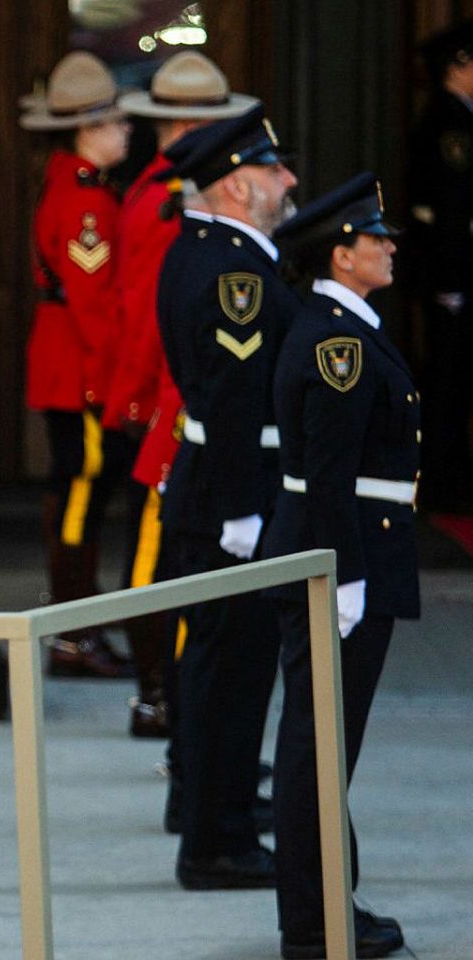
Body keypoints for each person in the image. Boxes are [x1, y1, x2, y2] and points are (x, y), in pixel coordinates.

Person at [261, 173, 414, 959]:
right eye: (374, 237)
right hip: (344, 554)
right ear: (340, 254)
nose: (389, 246)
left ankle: (327, 905)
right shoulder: (336, 341)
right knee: (318, 744)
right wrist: (342, 576)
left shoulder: (343, 325)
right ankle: (315, 924)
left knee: (324, 741)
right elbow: (326, 474)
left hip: (351, 549)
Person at [154, 107, 299, 891]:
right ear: (241, 184)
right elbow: (236, 397)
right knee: (231, 674)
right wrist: (247, 514)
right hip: (231, 500)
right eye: (276, 171)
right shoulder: (235, 273)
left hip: (214, 491)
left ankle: (217, 812)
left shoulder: (208, 250)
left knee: (221, 670)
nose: (289, 183)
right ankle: (218, 839)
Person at [106, 50, 258, 736]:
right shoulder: (167, 200)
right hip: (173, 402)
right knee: (160, 563)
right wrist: (138, 405)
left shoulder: (154, 189)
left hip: (170, 398)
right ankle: (160, 698)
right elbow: (148, 316)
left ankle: (168, 698)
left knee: (171, 558)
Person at [17, 51, 136, 678]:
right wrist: (109, 388)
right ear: (88, 130)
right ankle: (72, 631)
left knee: (77, 491)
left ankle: (75, 621)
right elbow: (93, 307)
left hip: (70, 365)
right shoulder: (85, 201)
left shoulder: (77, 184)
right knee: (82, 493)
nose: (127, 132)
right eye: (117, 123)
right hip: (81, 371)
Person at [408, 21, 473, 515]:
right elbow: (451, 209)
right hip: (454, 278)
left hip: (459, 274)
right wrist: (450, 282)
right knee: (448, 383)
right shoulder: (447, 124)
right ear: (459, 65)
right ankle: (442, 485)